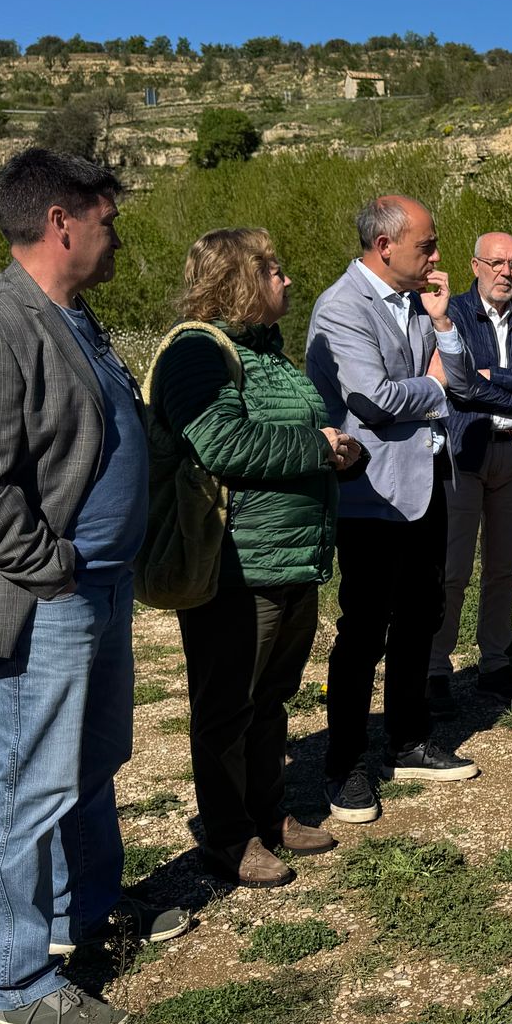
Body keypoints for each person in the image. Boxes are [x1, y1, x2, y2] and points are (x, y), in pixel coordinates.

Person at [0, 147, 188, 1024]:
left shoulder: (75, 318)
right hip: (47, 597)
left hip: (99, 586)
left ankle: (87, 913)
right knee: (26, 784)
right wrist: (53, 569)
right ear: (60, 223)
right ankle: (15, 981)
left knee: (91, 761)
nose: (116, 237)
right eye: (107, 221)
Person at [150, 229, 362, 887]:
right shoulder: (196, 351)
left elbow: (294, 435)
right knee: (227, 708)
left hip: (293, 560)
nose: (288, 280)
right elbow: (221, 443)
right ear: (235, 280)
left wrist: (343, 457)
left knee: (271, 699)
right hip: (236, 566)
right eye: (272, 269)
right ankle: (228, 838)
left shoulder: (270, 355)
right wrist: (319, 450)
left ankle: (268, 817)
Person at [304, 195, 476, 826]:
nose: (436, 255)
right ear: (384, 245)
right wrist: (432, 385)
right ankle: (344, 761)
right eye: (426, 245)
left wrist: (445, 328)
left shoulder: (418, 301)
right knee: (364, 628)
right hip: (369, 495)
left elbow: (459, 377)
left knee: (420, 615)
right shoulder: (341, 308)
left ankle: (406, 740)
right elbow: (372, 400)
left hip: (425, 482)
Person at [429, 231, 512, 702]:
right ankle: (435, 668)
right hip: (465, 451)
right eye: (498, 263)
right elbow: (455, 384)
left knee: (503, 566)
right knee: (453, 567)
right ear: (475, 265)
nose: (508, 272)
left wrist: (493, 377)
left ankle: (495, 662)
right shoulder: (453, 316)